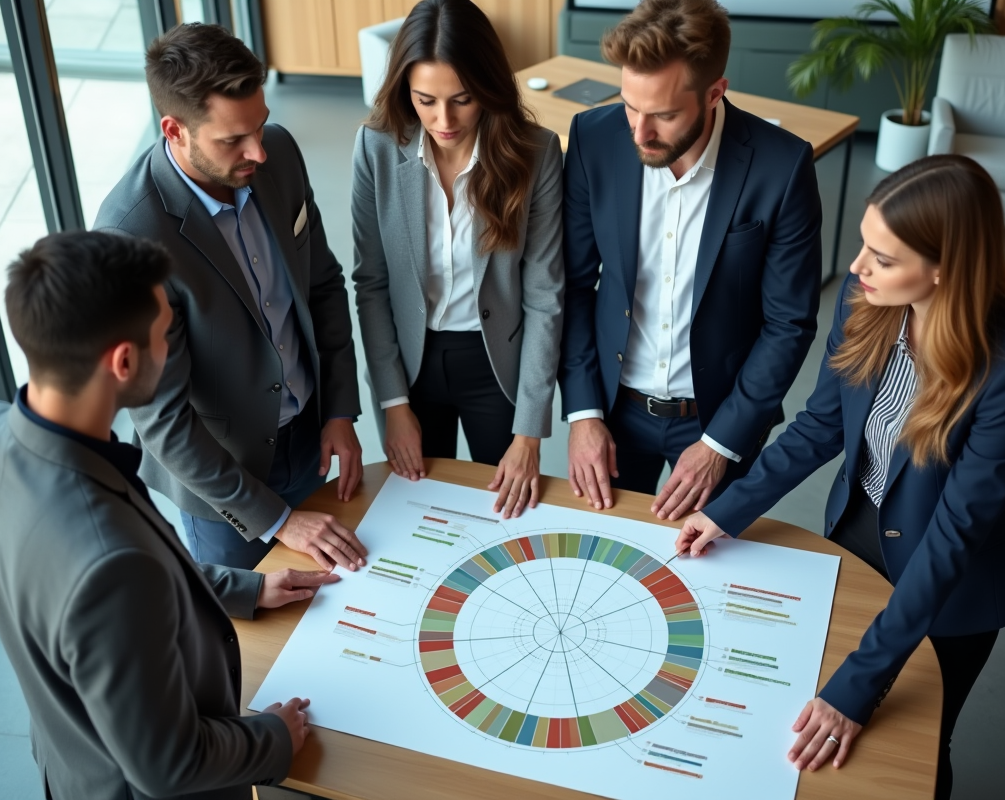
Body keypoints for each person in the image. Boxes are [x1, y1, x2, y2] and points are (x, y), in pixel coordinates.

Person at [676, 155, 1005, 799]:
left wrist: (858, 687)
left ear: (944, 268)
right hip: (857, 534)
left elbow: (953, 537)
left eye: (882, 257)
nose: (854, 268)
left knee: (914, 757)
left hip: (951, 593)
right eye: (863, 245)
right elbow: (819, 425)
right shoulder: (868, 299)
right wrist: (726, 511)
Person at [0, 231, 340, 800]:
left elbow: (94, 594)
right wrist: (272, 737)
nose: (174, 350)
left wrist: (246, 590)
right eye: (167, 336)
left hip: (69, 758)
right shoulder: (109, 562)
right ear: (124, 361)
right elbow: (169, 765)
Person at [94, 23, 367, 571]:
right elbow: (164, 420)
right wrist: (280, 521)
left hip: (311, 439)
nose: (258, 153)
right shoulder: (130, 236)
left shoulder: (281, 153)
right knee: (255, 640)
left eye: (260, 127)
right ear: (175, 130)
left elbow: (322, 285)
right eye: (232, 140)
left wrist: (339, 410)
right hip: (225, 487)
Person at [559, 0, 822, 521]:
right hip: (612, 411)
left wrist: (721, 445)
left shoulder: (783, 166)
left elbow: (788, 324)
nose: (638, 132)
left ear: (715, 92)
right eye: (631, 105)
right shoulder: (593, 139)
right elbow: (571, 284)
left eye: (663, 114)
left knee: (710, 578)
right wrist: (582, 413)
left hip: (721, 419)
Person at [352, 0, 564, 519]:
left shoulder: (535, 153)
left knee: (509, 512)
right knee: (422, 512)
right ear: (405, 89)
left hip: (496, 366)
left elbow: (544, 294)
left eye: (463, 100)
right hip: (412, 365)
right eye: (425, 100)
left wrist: (529, 432)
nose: (443, 120)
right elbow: (372, 284)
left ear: (489, 87)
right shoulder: (375, 146)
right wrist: (393, 403)